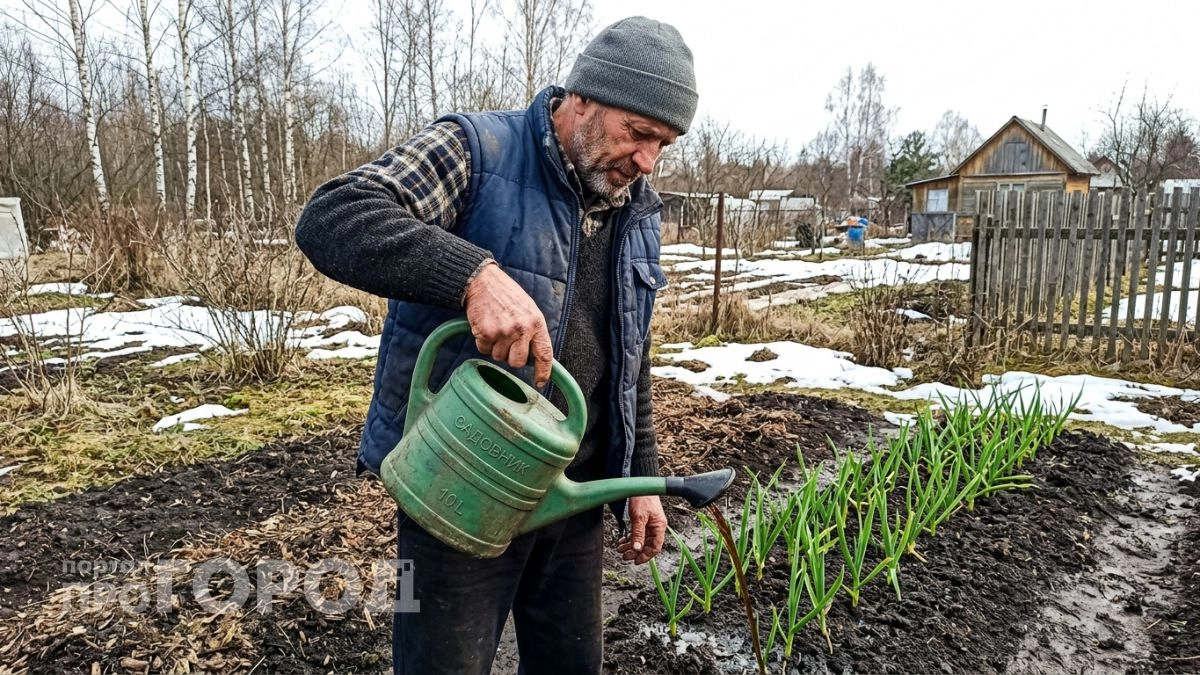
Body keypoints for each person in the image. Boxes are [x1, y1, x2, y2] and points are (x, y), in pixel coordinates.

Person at [294, 16, 698, 674]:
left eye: (666, 143)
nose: (648, 161)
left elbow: (630, 361)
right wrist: (471, 275)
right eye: (640, 134)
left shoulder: (636, 209)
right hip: (462, 486)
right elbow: (333, 216)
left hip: (571, 496)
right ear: (585, 99)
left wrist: (638, 481)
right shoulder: (479, 151)